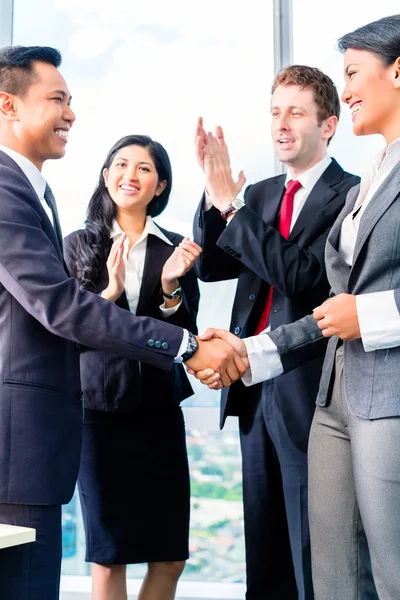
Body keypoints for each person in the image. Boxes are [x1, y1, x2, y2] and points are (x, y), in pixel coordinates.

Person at [0, 45, 247, 600]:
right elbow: (64, 310)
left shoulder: (165, 248)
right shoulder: (23, 201)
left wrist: (169, 298)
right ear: (8, 105)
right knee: (84, 562)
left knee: (160, 553)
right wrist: (185, 344)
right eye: (58, 99)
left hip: (146, 411)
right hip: (71, 417)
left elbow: (62, 311)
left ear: (161, 185)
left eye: (145, 168)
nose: (71, 113)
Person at [196, 13, 400, 600]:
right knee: (281, 549)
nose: (281, 125)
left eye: (296, 112)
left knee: (334, 555)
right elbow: (216, 266)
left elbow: (307, 280)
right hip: (271, 383)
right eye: (274, 112)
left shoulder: (347, 190)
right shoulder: (268, 194)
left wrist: (235, 213)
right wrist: (218, 201)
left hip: (323, 385)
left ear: (327, 124)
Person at [64, 134, 200, 600]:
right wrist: (110, 294)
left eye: (144, 168)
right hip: (99, 413)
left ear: (160, 185)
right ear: (106, 177)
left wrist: (168, 287)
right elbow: (68, 331)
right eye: (121, 165)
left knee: (170, 556)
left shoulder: (177, 250)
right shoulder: (79, 245)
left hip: (160, 410)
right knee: (109, 555)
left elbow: (187, 335)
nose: (130, 175)